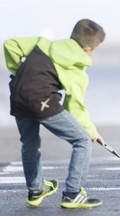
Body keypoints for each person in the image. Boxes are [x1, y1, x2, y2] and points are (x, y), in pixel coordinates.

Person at [3, 19, 106, 208]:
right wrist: (90, 130)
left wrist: (20, 72)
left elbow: (10, 45)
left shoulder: (43, 44)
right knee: (82, 140)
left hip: (18, 94)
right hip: (41, 100)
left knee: (30, 144)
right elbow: (74, 106)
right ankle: (73, 194)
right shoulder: (76, 68)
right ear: (90, 49)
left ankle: (36, 190)